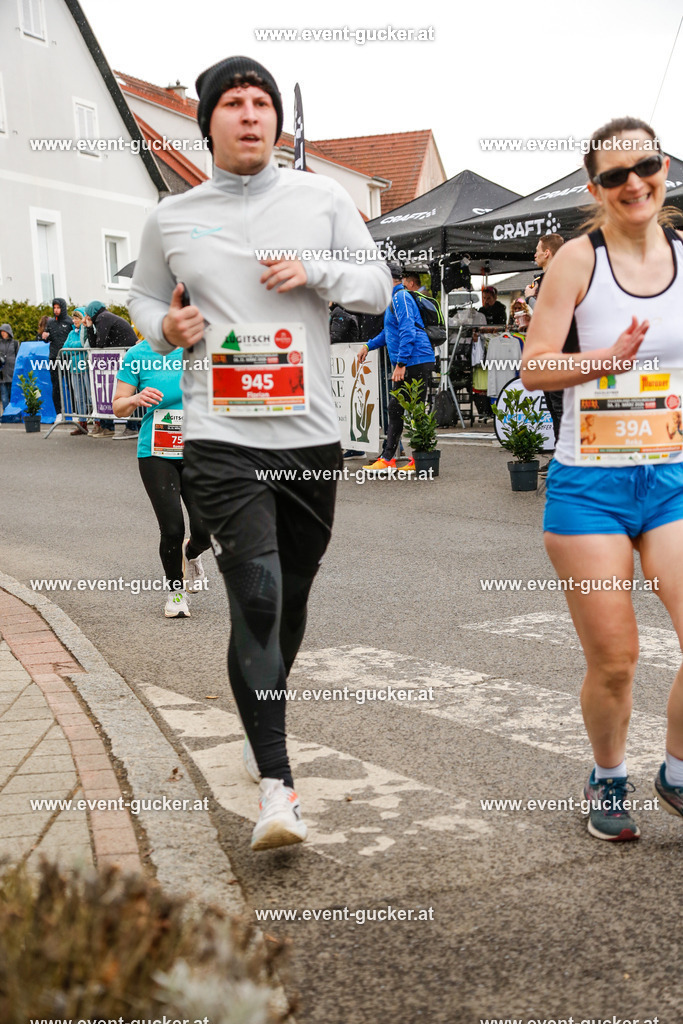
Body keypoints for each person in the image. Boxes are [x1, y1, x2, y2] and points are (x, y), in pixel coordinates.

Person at [128, 55, 391, 850]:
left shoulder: (321, 199)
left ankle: (258, 719)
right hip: (219, 436)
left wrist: (314, 269)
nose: (250, 114)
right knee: (260, 596)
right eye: (232, 104)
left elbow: (377, 290)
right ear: (206, 121)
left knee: (295, 597)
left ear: (275, 120)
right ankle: (277, 790)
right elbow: (142, 297)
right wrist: (161, 328)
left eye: (261, 102)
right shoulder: (173, 215)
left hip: (309, 438)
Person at [521, 116, 683, 842]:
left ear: (663, 170)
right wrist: (602, 361)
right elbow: (532, 368)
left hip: (672, 475)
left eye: (643, 166)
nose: (632, 183)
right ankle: (607, 774)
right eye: (614, 176)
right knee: (615, 658)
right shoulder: (576, 263)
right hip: (589, 486)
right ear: (595, 189)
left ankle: (676, 770)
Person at [113, 335, 211, 618]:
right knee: (172, 528)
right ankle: (176, 593)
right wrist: (134, 398)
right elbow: (117, 405)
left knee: (206, 528)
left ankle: (191, 554)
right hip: (156, 453)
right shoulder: (137, 355)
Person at [359, 262, 435, 472]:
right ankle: (392, 458)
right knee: (397, 408)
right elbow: (389, 332)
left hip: (415, 360)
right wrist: (368, 345)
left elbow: (408, 330)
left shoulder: (400, 297)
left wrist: (401, 363)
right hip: (414, 359)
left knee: (411, 409)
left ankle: (412, 458)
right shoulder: (395, 298)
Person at [524, 234, 566, 472]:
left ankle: (564, 461)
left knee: (559, 407)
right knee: (553, 406)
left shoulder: (556, 277)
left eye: (538, 250)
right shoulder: (546, 278)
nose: (535, 254)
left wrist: (530, 300)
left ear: (548, 252)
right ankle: (560, 457)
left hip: (558, 353)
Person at [85, 301, 139, 438]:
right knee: (111, 391)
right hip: (123, 356)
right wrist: (90, 328)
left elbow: (100, 343)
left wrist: (91, 328)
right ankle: (108, 426)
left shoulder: (103, 317)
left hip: (127, 355)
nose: (86, 317)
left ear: (92, 311)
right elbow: (95, 345)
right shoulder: (102, 317)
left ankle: (133, 426)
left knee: (127, 391)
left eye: (87, 314)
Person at [62, 307, 91, 434]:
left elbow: (82, 344)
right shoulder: (71, 333)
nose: (74, 320)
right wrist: (76, 347)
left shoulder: (86, 331)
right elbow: (64, 348)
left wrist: (73, 348)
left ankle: (98, 423)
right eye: (73, 318)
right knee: (79, 398)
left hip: (86, 368)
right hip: (74, 369)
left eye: (77, 318)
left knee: (91, 397)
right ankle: (82, 425)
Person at [44, 298, 73, 421]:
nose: (56, 310)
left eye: (58, 308)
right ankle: (59, 414)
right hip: (54, 358)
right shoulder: (50, 322)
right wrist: (44, 337)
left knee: (71, 385)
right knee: (56, 386)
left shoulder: (70, 321)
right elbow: (46, 338)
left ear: (63, 308)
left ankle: (76, 413)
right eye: (54, 308)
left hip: (67, 358)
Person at [0, 324, 18, 417]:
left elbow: (18, 357)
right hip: (2, 373)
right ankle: (6, 414)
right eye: (1, 332)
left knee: (12, 394)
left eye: (5, 332)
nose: (3, 334)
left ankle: (13, 414)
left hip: (12, 372)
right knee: (4, 394)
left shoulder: (15, 343)